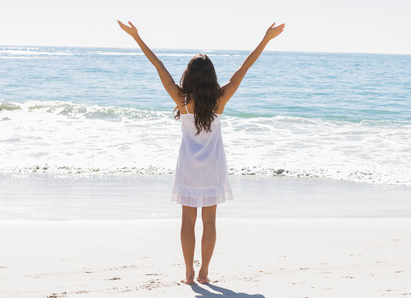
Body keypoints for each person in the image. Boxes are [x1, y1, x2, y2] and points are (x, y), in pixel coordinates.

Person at [118, 20, 285, 284]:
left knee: (187, 219)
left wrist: (137, 37)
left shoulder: (182, 100)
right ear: (211, 76)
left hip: (188, 166)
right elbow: (244, 68)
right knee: (209, 220)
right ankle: (205, 272)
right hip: (213, 166)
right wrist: (266, 39)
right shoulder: (221, 98)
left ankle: (188, 273)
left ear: (190, 75)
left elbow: (158, 66)